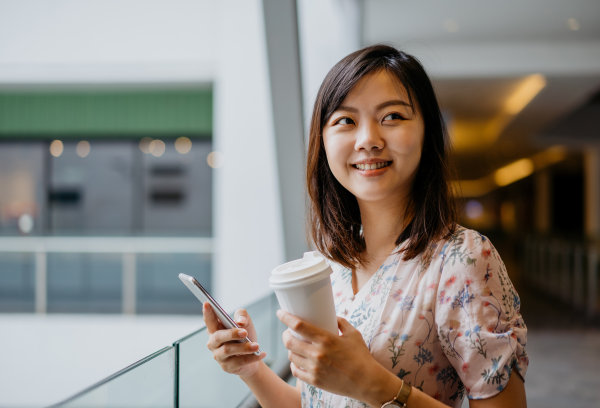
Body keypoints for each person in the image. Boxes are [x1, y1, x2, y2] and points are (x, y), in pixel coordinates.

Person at [203, 44, 528, 408]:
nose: (368, 140)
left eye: (392, 116)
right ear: (323, 141)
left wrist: (370, 383)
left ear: (426, 132)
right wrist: (251, 369)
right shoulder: (330, 266)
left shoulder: (462, 260)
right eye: (346, 120)